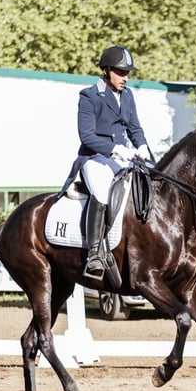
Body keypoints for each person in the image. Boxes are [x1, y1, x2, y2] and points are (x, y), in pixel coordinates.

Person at [60, 45, 152, 279]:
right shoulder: (89, 96)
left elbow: (135, 127)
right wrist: (115, 149)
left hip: (124, 158)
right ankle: (94, 253)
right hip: (95, 158)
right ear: (106, 70)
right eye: (121, 73)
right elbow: (87, 136)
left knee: (146, 187)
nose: (125, 78)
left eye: (127, 73)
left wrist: (141, 145)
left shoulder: (128, 95)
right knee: (101, 193)